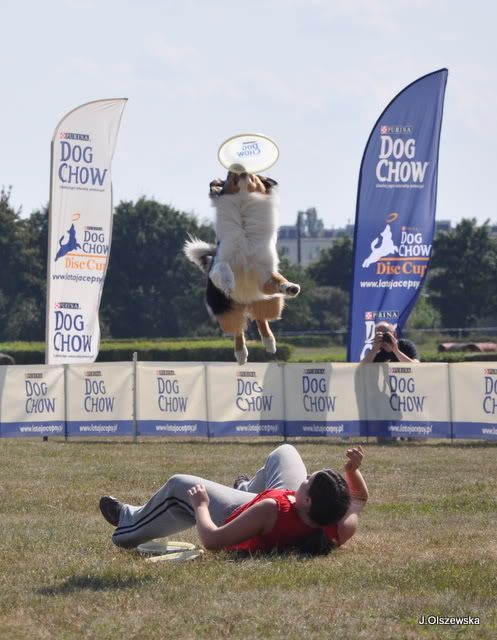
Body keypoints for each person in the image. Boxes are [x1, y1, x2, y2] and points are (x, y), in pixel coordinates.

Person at [99, 444, 368, 556]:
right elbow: (359, 498)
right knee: (285, 451)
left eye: (308, 481)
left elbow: (212, 541)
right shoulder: (339, 525)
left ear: (307, 501)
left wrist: (201, 506)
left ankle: (128, 525)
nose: (305, 478)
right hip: (276, 510)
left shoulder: (270, 509)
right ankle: (245, 487)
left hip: (243, 516)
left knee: (179, 484)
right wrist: (351, 471)